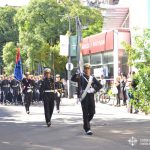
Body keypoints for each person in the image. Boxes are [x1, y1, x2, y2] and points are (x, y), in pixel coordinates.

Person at [71, 63, 102, 135]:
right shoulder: (80, 77)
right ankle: (87, 129)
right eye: (86, 69)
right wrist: (76, 73)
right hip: (84, 97)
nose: (87, 70)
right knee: (85, 113)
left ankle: (85, 123)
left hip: (91, 96)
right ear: (84, 69)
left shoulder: (92, 77)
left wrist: (94, 89)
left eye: (88, 69)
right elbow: (73, 79)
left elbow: (100, 85)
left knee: (92, 112)